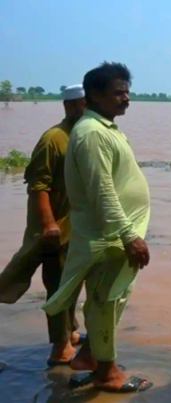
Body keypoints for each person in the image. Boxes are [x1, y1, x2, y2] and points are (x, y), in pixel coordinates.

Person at [42, 62, 153, 393]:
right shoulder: (91, 134)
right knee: (107, 301)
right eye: (118, 92)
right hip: (109, 238)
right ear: (93, 95)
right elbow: (101, 190)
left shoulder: (104, 128)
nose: (126, 98)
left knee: (106, 300)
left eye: (127, 91)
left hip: (112, 237)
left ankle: (92, 356)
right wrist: (129, 234)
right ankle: (107, 374)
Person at [0, 85, 86, 366]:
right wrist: (49, 224)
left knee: (71, 282)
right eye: (86, 105)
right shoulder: (53, 139)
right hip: (53, 228)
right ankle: (60, 348)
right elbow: (38, 186)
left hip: (74, 225)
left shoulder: (82, 136)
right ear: (71, 106)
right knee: (56, 285)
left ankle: (70, 332)